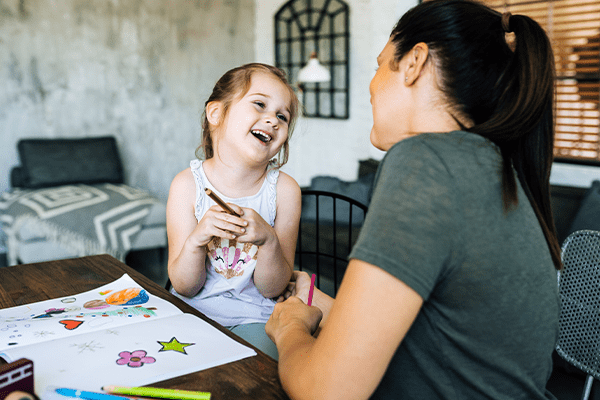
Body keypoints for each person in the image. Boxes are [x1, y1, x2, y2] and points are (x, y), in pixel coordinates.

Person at [265, 0, 562, 398]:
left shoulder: (427, 160)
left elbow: (328, 391)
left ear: (414, 62)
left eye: (379, 64)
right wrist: (319, 304)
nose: (371, 86)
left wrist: (290, 330)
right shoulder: (495, 169)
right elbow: (441, 344)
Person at [167, 63, 301, 360]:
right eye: (260, 104)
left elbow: (273, 288)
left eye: (282, 116)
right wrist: (196, 240)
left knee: (255, 376)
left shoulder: (285, 191)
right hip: (189, 313)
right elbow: (185, 287)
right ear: (216, 114)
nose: (273, 120)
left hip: (256, 317)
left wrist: (268, 241)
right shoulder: (187, 185)